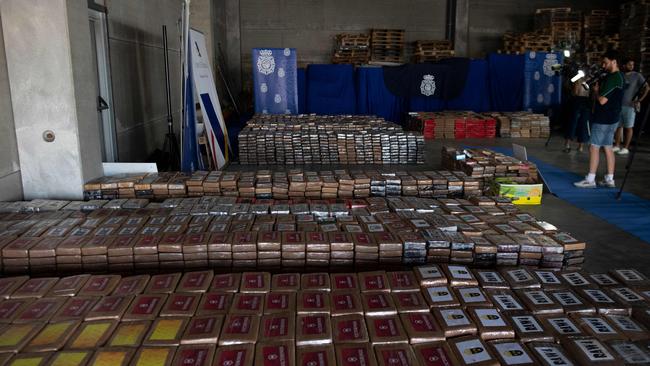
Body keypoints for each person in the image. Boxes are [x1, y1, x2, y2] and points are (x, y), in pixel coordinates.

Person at [574, 50, 625, 188]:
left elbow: (602, 100)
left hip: (604, 118)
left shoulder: (613, 78)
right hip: (614, 117)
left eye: (606, 62)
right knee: (608, 147)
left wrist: (596, 91)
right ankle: (610, 178)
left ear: (614, 62)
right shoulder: (621, 76)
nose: (603, 65)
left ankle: (590, 179)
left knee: (593, 147)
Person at [613, 58, 648, 155]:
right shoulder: (620, 75)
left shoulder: (637, 75)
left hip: (630, 105)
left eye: (632, 64)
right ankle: (617, 145)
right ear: (624, 65)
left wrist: (640, 99)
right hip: (619, 105)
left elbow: (647, 87)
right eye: (629, 64)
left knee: (628, 127)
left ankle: (626, 147)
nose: (631, 66)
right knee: (618, 126)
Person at [563, 76, 591, 153]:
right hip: (580, 101)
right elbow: (574, 90)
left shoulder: (588, 79)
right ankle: (572, 145)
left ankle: (574, 145)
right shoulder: (578, 79)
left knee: (579, 124)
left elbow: (578, 92)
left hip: (582, 101)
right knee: (576, 123)